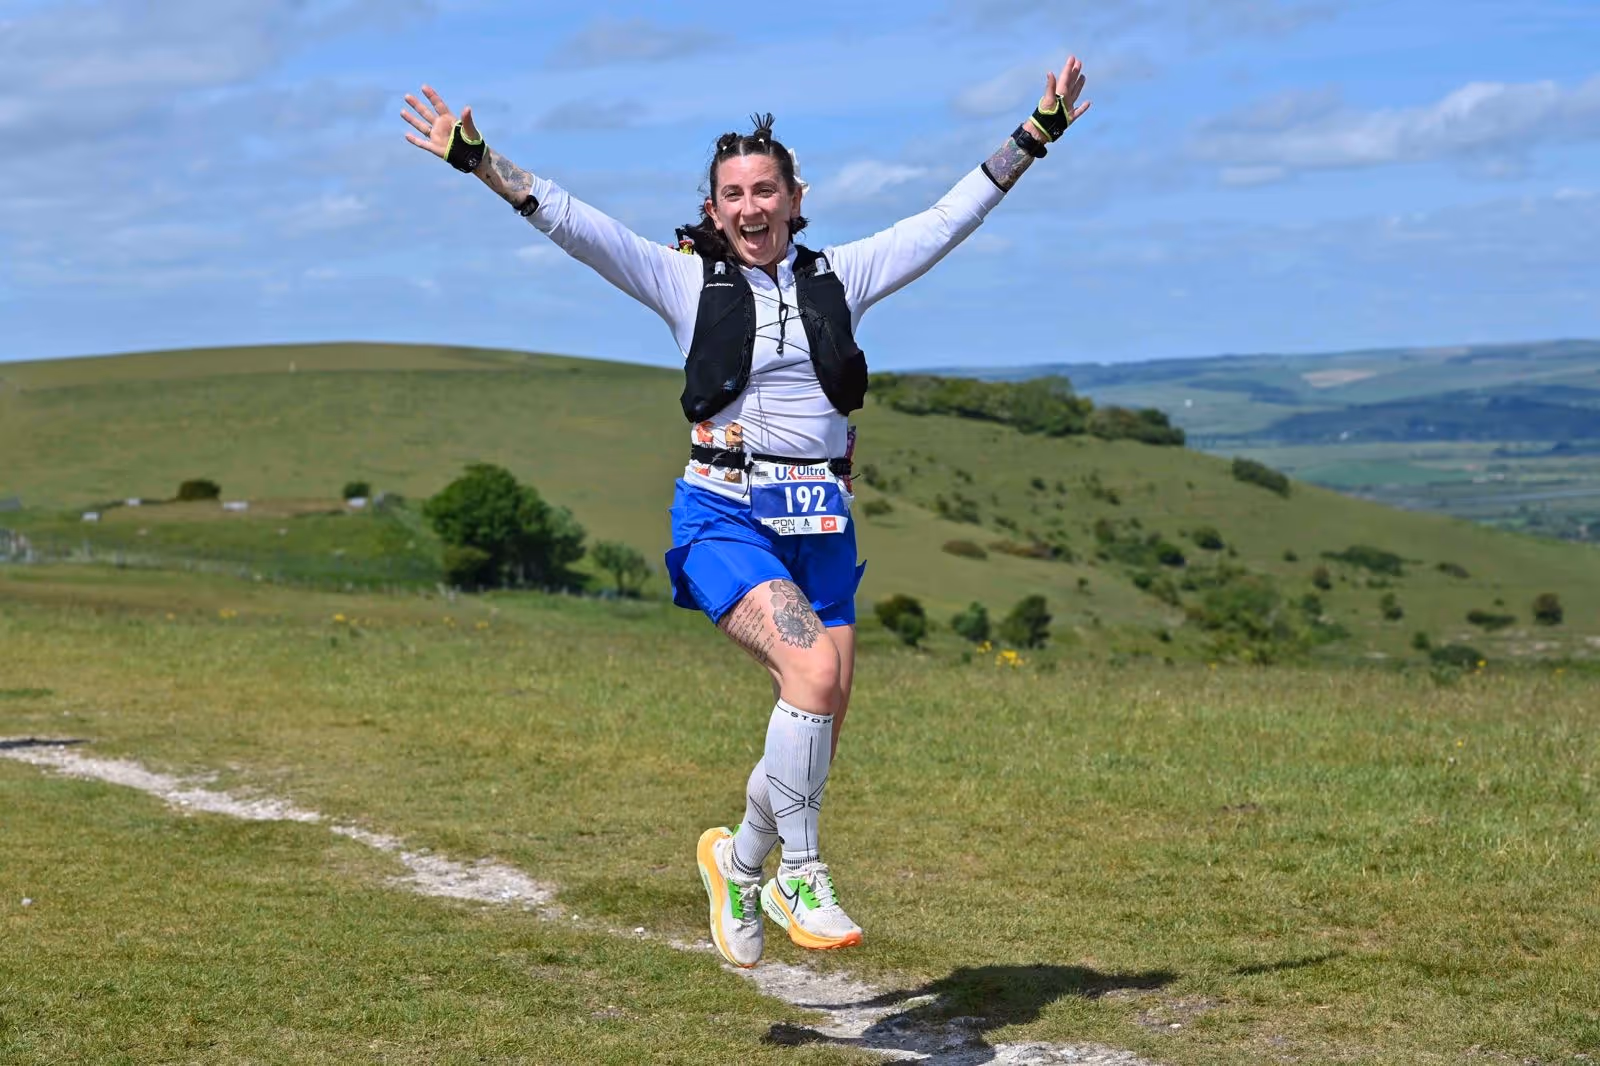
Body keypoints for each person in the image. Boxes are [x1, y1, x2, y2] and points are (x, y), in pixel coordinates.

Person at [401, 60, 1089, 968]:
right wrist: (482, 162)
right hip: (724, 517)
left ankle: (737, 861)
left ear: (796, 200)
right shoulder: (685, 281)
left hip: (823, 527)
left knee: (822, 715)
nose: (751, 206)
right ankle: (798, 872)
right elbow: (576, 224)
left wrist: (1035, 135)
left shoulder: (842, 275)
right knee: (810, 673)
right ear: (715, 209)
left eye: (766, 189)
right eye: (734, 194)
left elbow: (945, 219)